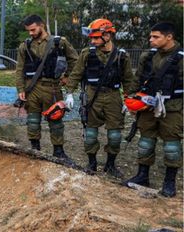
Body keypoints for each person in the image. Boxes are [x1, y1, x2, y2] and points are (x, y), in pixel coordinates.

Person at [64, 18, 136, 177]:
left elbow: (128, 80)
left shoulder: (121, 56)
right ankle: (92, 163)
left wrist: (129, 99)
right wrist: (69, 92)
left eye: (97, 37)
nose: (93, 41)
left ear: (108, 35)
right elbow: (76, 74)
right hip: (92, 96)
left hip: (113, 97)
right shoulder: (86, 53)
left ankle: (110, 164)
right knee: (90, 134)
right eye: (92, 38)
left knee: (115, 136)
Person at [123, 22, 183, 197]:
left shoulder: (181, 58)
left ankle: (169, 181)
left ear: (169, 37)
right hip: (147, 107)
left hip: (172, 108)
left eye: (156, 37)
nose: (151, 40)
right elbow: (137, 79)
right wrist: (130, 98)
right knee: (145, 142)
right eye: (151, 36)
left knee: (172, 147)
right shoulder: (147, 57)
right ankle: (143, 176)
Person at [16, 14, 78, 159]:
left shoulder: (59, 42)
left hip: (52, 88)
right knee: (32, 121)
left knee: (55, 120)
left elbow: (75, 60)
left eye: (33, 29)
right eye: (28, 31)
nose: (30, 33)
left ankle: (58, 152)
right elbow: (19, 69)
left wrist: (67, 76)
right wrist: (20, 89)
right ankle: (35, 149)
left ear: (41, 25)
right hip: (32, 88)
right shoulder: (25, 46)